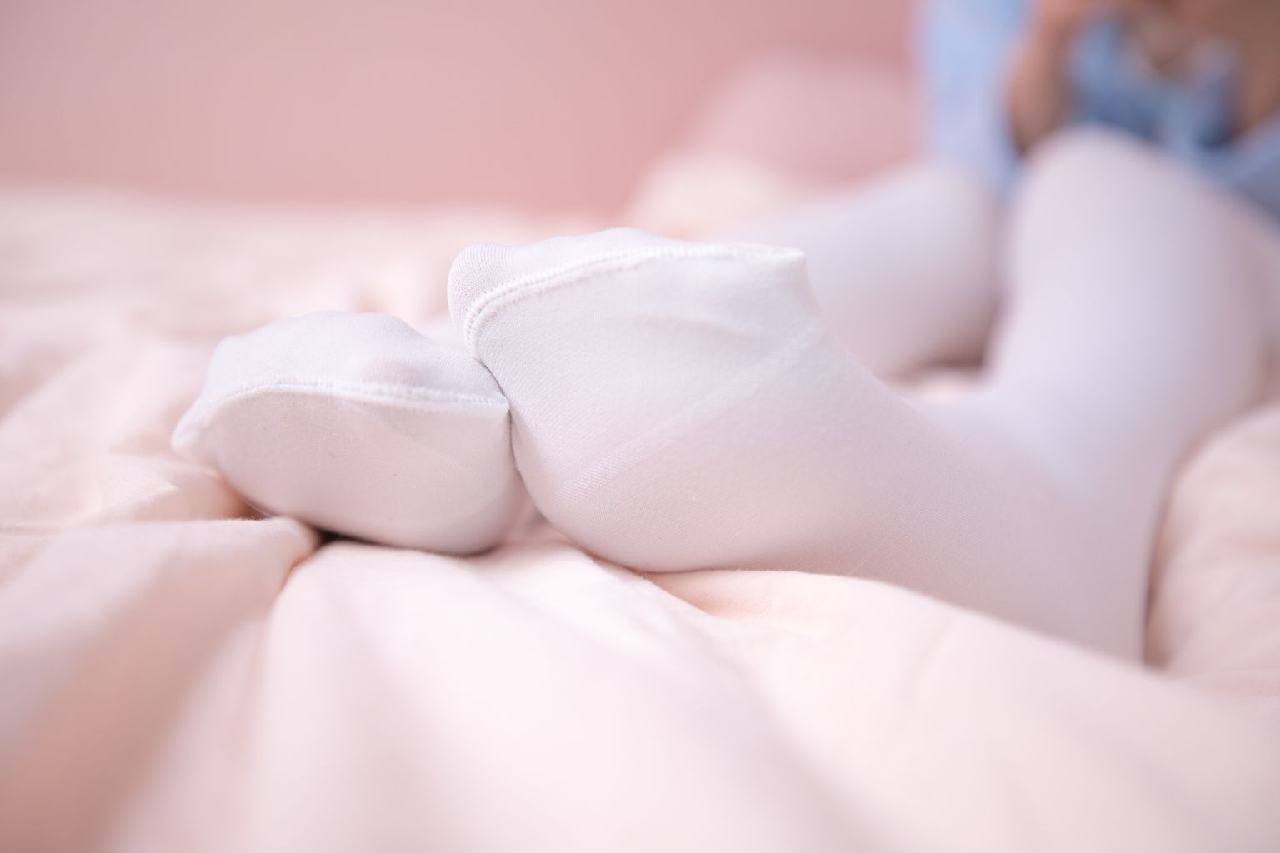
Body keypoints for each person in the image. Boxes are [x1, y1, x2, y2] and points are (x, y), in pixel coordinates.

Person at [174, 2, 1280, 659]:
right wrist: (1048, 46)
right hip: (998, 208)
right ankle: (473, 388)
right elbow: (977, 152)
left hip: (1213, 239)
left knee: (1100, 181)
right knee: (947, 206)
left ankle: (1052, 507)